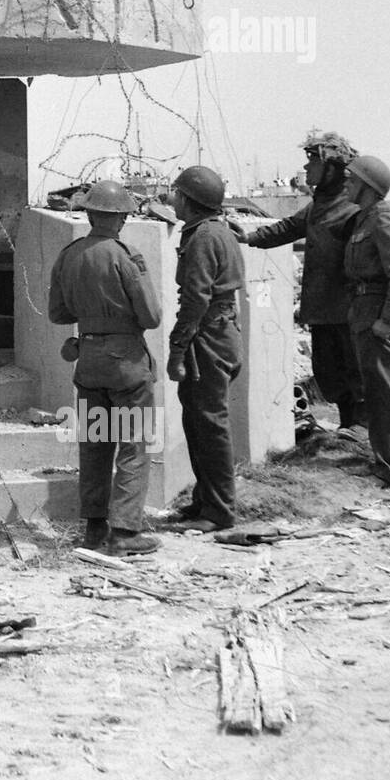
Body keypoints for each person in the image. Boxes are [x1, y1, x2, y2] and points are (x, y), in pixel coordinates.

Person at [48, 180, 163, 555]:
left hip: (89, 361)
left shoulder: (68, 255)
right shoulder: (125, 255)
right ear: (118, 217)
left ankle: (95, 530)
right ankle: (125, 533)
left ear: (90, 212)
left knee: (95, 445)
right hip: (126, 364)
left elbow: (58, 313)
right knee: (133, 445)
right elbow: (151, 316)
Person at [233, 131, 363, 435]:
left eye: (311, 162)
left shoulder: (352, 207)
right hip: (322, 309)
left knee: (356, 374)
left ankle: (361, 431)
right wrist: (249, 238)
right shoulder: (320, 204)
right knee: (330, 374)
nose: (305, 169)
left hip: (348, 312)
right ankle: (348, 429)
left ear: (331, 166)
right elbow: (288, 228)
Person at [167, 165, 245, 532]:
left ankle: (219, 511)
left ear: (188, 200)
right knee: (198, 422)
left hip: (208, 337)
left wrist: (177, 348)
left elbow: (195, 300)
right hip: (221, 332)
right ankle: (206, 501)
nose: (172, 199)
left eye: (176, 193)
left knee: (210, 425)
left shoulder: (201, 238)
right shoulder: (218, 231)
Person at [343, 155, 390, 488]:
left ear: (366, 186)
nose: (345, 183)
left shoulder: (382, 219)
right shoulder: (365, 219)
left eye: (350, 179)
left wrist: (387, 320)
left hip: (376, 315)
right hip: (366, 311)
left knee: (382, 394)